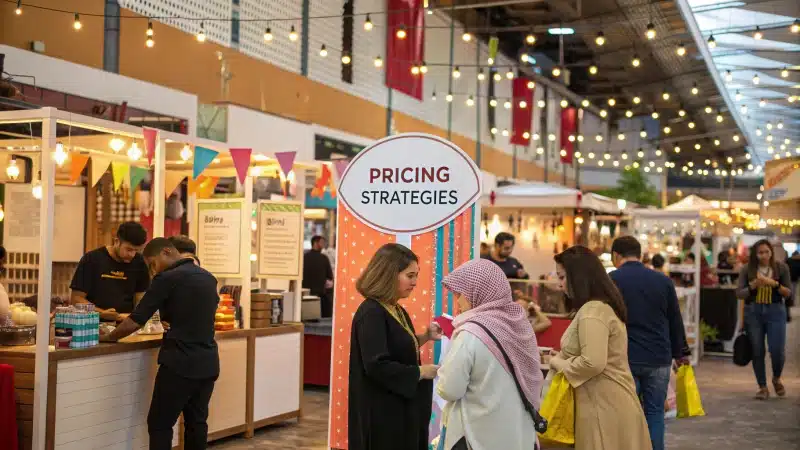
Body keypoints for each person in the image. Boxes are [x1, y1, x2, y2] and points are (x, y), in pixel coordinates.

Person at [100, 238, 219, 450]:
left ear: (166, 252)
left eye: (152, 263)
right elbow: (195, 314)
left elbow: (137, 319)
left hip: (179, 364)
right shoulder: (209, 278)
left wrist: (110, 337)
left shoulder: (167, 278)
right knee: (197, 423)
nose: (153, 270)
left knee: (160, 424)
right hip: (208, 363)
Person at [550, 245, 652, 450]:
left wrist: (557, 362)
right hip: (606, 403)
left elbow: (592, 362)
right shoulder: (598, 308)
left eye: (562, 277)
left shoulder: (592, 311)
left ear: (578, 277)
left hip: (603, 406)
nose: (559, 284)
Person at [436, 259, 543, 450]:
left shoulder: (470, 333)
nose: (457, 301)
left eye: (460, 294)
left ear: (477, 292)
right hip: (519, 435)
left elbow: (450, 388)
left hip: (477, 436)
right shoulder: (520, 326)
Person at [348, 243, 441, 450]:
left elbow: (396, 346)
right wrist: (419, 372)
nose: (415, 282)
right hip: (382, 412)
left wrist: (425, 336)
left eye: (416, 275)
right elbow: (376, 364)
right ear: (389, 274)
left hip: (397, 409)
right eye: (410, 276)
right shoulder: (371, 313)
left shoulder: (394, 308)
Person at [609, 236, 689, 450]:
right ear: (641, 255)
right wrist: (681, 352)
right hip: (659, 357)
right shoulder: (663, 281)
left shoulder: (612, 280)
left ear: (616, 255)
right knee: (655, 413)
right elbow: (674, 318)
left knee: (627, 414)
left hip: (627, 357)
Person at [736, 239, 792, 399]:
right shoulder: (747, 269)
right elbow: (739, 293)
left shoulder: (781, 268)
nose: (764, 256)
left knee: (777, 350)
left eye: (767, 252)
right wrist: (753, 286)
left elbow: (788, 293)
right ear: (755, 254)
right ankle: (762, 386)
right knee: (757, 350)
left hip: (776, 311)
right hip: (753, 311)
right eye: (760, 253)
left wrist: (773, 284)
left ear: (771, 252)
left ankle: (776, 377)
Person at [70, 221, 150, 320]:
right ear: (116, 241)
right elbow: (76, 299)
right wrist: (101, 313)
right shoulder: (91, 259)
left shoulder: (139, 263)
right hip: (92, 323)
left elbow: (140, 300)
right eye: (129, 249)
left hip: (126, 325)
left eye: (137, 250)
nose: (132, 255)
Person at [303, 236, 335, 318]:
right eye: (322, 243)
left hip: (305, 296)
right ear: (315, 243)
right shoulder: (324, 258)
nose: (323, 245)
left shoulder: (304, 257)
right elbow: (330, 276)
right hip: (321, 297)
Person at [786, 251, 800, 322]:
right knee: (790, 293)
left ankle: (791, 302)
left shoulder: (795, 261)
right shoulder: (789, 260)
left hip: (794, 279)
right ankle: (790, 302)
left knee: (792, 292)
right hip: (790, 279)